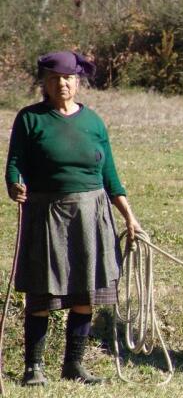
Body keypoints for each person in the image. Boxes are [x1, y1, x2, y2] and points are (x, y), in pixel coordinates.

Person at [4, 51, 140, 386]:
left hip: (91, 214)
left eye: (68, 79)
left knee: (86, 293)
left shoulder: (93, 121)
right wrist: (13, 184)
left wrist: (129, 217)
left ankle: (73, 365)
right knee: (41, 294)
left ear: (77, 83)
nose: (62, 84)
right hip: (46, 214)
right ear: (45, 84)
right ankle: (34, 367)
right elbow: (15, 161)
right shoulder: (30, 119)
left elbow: (110, 174)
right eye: (54, 79)